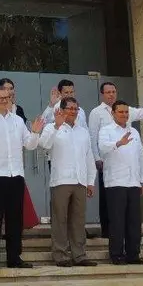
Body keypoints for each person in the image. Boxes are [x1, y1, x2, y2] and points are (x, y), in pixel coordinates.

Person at [0, 85, 44, 269]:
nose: (4, 100)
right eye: (0, 98)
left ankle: (14, 258)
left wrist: (36, 132)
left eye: (7, 97)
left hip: (16, 176)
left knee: (15, 221)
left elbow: (29, 145)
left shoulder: (18, 121)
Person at [88, 79, 143, 239]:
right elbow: (92, 136)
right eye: (108, 92)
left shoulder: (127, 110)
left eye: (113, 92)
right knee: (108, 198)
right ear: (102, 94)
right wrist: (96, 158)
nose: (111, 94)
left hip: (128, 167)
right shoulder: (96, 112)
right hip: (107, 160)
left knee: (127, 205)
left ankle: (124, 232)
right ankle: (107, 230)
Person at [37, 97, 97, 267]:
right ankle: (61, 255)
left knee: (78, 220)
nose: (73, 111)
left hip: (80, 180)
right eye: (70, 108)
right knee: (60, 220)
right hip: (61, 181)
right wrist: (56, 126)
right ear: (61, 110)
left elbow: (89, 157)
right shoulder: (52, 127)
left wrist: (90, 181)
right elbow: (43, 145)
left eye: (76, 108)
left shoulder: (83, 131)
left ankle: (80, 255)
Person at [98, 100, 143, 265]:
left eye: (126, 112)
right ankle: (117, 254)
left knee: (134, 221)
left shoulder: (133, 131)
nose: (125, 115)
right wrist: (118, 143)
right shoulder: (106, 130)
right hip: (116, 182)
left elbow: (141, 157)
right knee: (117, 221)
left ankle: (134, 254)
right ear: (113, 113)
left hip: (133, 182)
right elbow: (103, 148)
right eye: (121, 112)